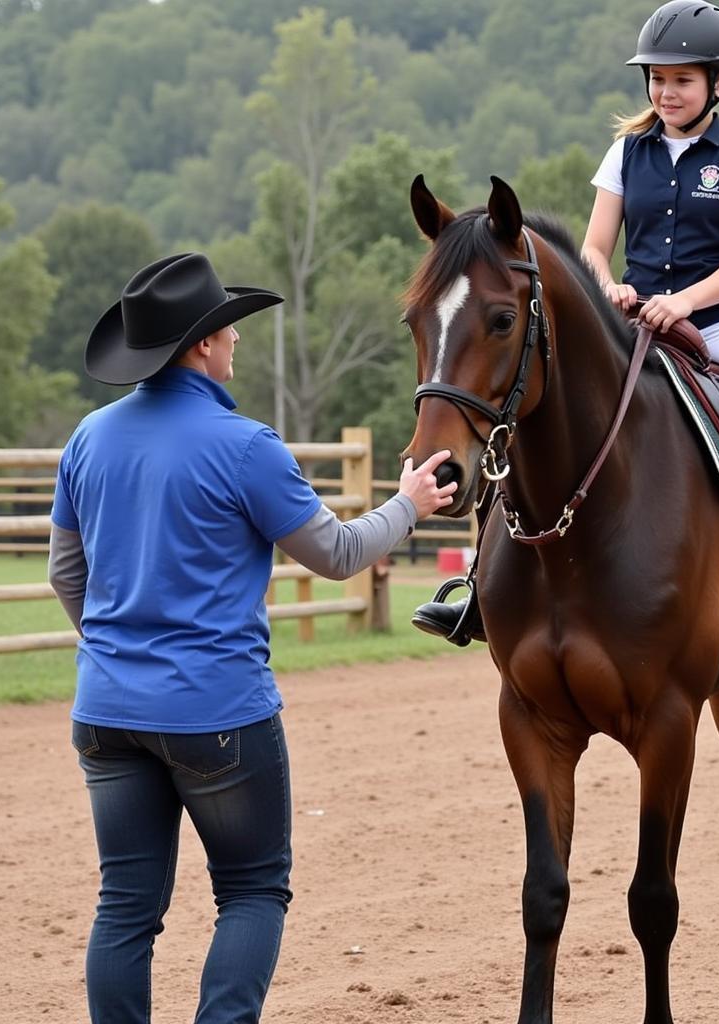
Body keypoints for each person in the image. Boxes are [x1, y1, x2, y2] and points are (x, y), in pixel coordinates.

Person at [49, 251, 456, 1024]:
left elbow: (67, 575)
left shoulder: (88, 438)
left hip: (105, 708)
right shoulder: (246, 446)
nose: (238, 341)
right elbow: (336, 555)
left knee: (126, 907)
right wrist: (407, 505)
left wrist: (117, 654)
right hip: (219, 714)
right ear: (202, 345)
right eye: (229, 330)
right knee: (251, 889)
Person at [414, 0, 719, 647]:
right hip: (633, 321)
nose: (666, 92)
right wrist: (605, 284)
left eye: (681, 80)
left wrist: (687, 301)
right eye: (658, 79)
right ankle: (479, 583)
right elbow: (593, 246)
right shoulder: (625, 154)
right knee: (530, 415)